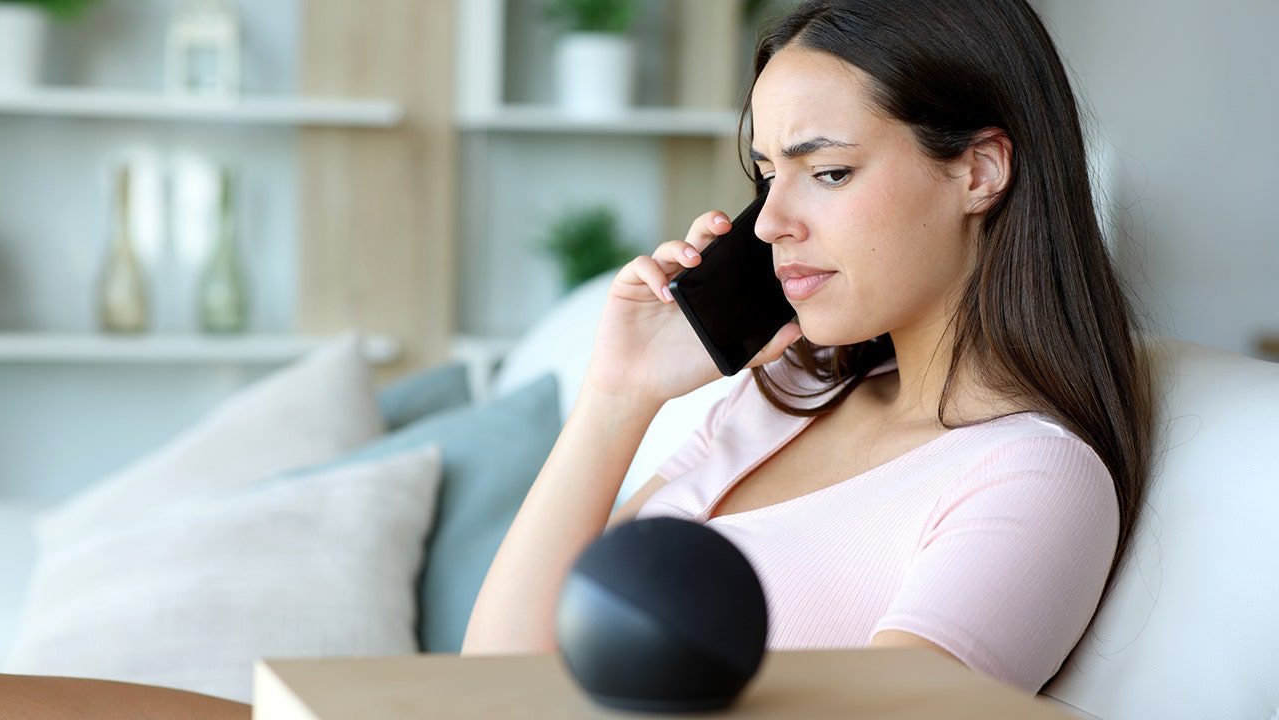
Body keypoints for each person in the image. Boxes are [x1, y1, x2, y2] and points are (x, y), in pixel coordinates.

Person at [462, 0, 1153, 695]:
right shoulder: (781, 399)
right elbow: (498, 681)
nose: (767, 224)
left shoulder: (1032, 476)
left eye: (828, 172)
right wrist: (618, 396)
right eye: (768, 175)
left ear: (978, 172)